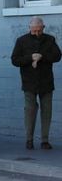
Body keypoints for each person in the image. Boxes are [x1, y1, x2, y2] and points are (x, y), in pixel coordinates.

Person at [11, 16, 61, 150]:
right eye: (34, 31)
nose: (37, 33)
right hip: (29, 81)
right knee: (30, 111)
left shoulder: (50, 39)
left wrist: (42, 57)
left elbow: (57, 56)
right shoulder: (21, 41)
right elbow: (15, 60)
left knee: (47, 111)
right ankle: (29, 139)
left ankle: (45, 140)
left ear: (43, 28)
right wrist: (30, 57)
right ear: (29, 28)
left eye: (39, 30)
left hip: (46, 81)